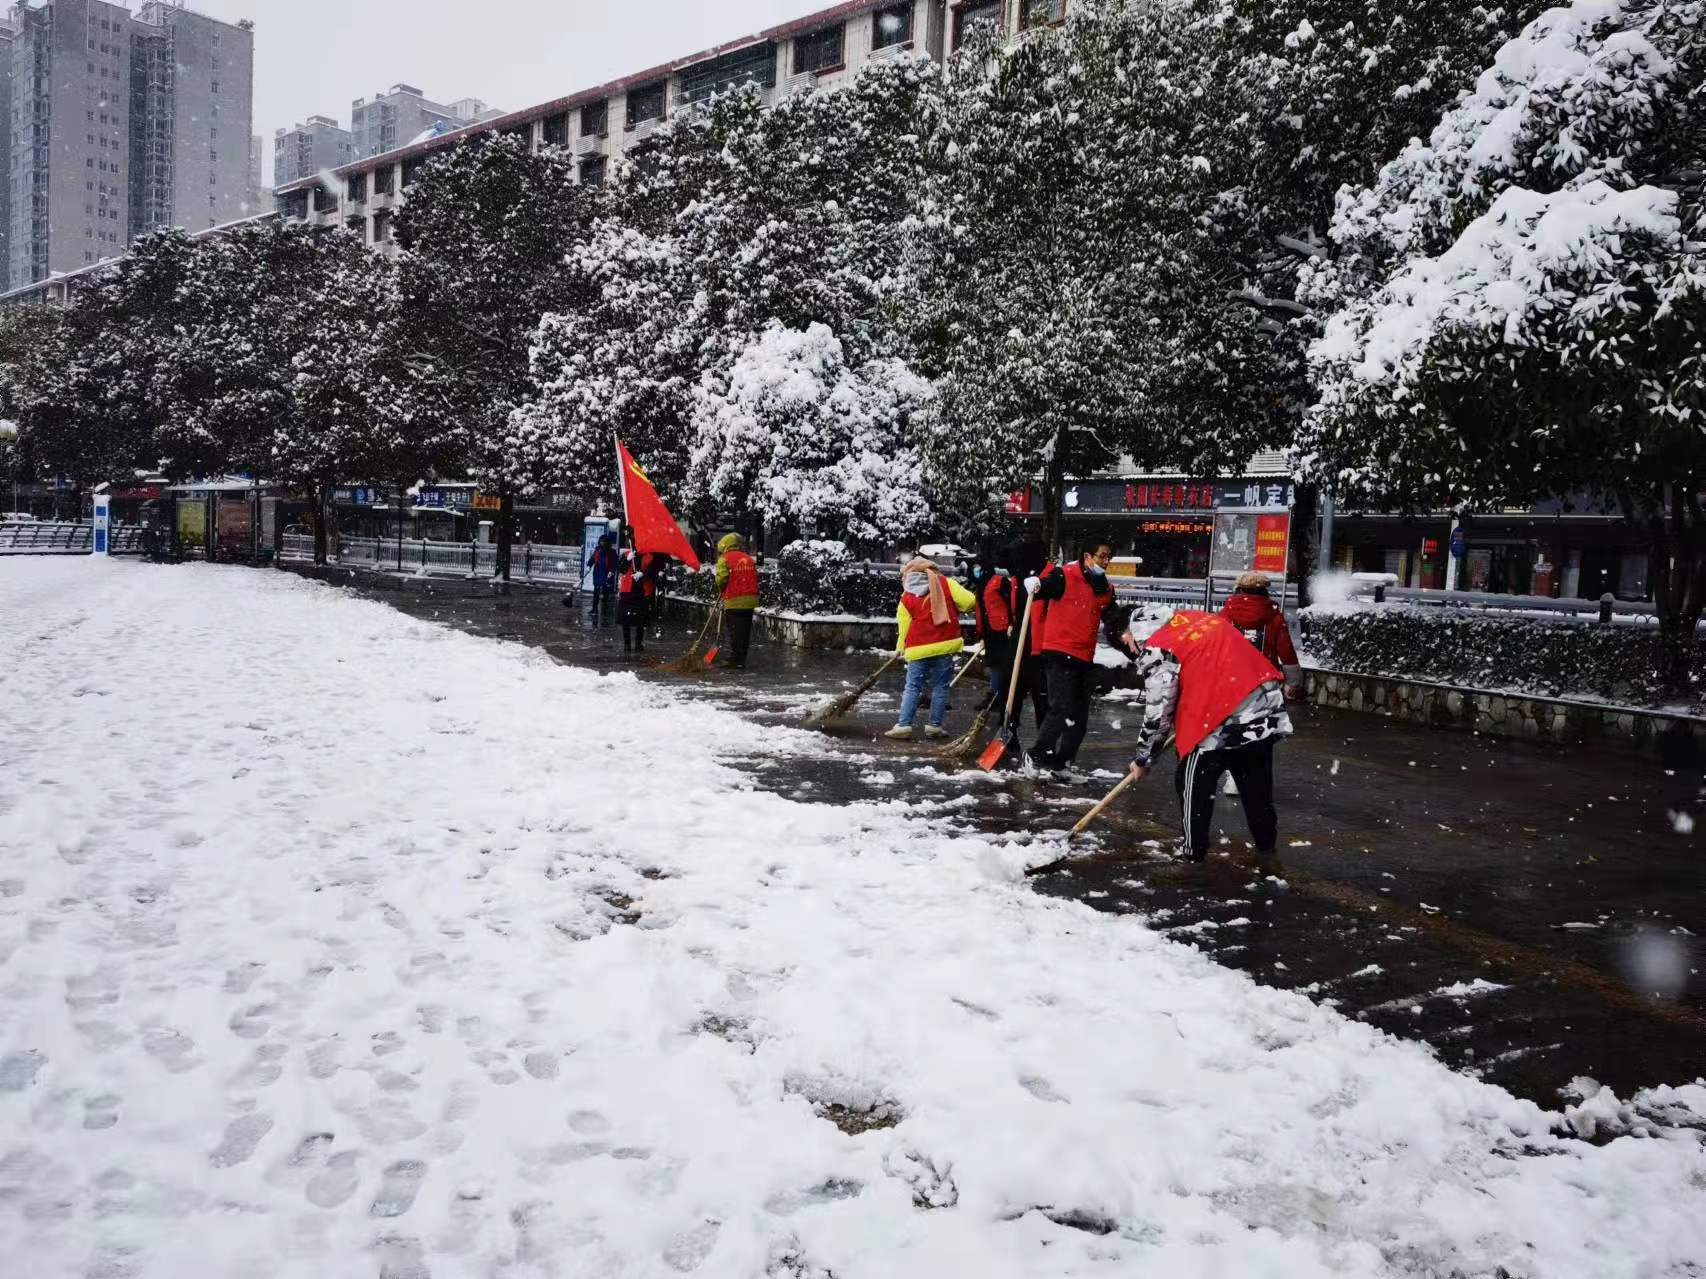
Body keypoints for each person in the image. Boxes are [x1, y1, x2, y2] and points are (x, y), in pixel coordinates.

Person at [1127, 609, 1295, 864]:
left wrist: (1143, 758)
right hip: (1262, 705)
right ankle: (1266, 846)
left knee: (1192, 783)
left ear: (1138, 634)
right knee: (1255, 785)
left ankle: (1193, 852)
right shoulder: (1200, 620)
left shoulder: (1160, 646)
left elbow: (1159, 711)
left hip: (1217, 718)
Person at [1027, 540, 1116, 770]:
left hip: (1084, 657)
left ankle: (1061, 764)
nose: (1105, 563)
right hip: (1058, 652)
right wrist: (1036, 585)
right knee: (1061, 708)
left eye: (1109, 558)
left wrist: (1130, 640)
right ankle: (1036, 755)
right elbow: (1043, 588)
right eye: (1102, 557)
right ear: (1088, 556)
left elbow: (1113, 621)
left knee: (1078, 718)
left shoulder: (1104, 588)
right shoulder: (1064, 576)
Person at [886, 554, 978, 740]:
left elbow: (904, 624)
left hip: (918, 647)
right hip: (945, 644)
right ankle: (934, 726)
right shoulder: (946, 583)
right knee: (941, 687)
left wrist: (900, 648)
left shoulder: (907, 594)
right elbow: (969, 602)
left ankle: (904, 725)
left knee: (913, 687)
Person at [1220, 572, 1303, 698]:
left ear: (1239, 590)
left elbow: (1216, 645)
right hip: (1265, 680)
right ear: (1264, 591)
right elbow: (1286, 651)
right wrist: (1293, 682)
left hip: (1231, 678)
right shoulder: (1274, 616)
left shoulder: (1226, 614)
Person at [1006, 534, 1051, 741]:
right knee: (1012, 692)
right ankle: (1009, 732)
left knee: (1043, 697)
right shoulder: (1018, 576)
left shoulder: (1050, 577)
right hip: (1019, 643)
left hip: (1042, 647)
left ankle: (1044, 742)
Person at [974, 539, 1016, 711]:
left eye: (977, 566)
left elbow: (1011, 602)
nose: (975, 570)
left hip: (1002, 631)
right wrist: (982, 635)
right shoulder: (981, 585)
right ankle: (996, 695)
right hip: (990, 631)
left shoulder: (999, 582)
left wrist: (1012, 623)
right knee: (994, 664)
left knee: (1000, 664)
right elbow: (981, 610)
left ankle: (997, 696)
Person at [714, 532, 760, 669]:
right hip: (750, 599)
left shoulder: (724, 559)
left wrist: (721, 586)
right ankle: (741, 657)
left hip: (734, 599)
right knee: (744, 631)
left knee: (735, 631)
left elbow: (721, 579)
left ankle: (736, 660)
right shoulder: (749, 558)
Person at [616, 549, 651, 654]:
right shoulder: (627, 554)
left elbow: (652, 571)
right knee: (625, 619)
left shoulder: (648, 556)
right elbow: (621, 569)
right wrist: (627, 560)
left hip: (641, 591)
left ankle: (638, 643)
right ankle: (627, 643)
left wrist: (642, 573)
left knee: (641, 619)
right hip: (627, 590)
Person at [586, 534, 617, 622]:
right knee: (596, 592)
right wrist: (589, 565)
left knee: (605, 593)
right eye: (601, 541)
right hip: (598, 573)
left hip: (607, 574)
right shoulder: (597, 550)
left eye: (604, 541)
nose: (602, 543)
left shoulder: (611, 552)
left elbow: (614, 563)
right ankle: (594, 608)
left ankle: (604, 609)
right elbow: (592, 559)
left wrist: (611, 571)